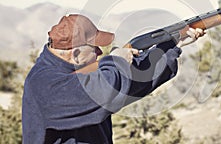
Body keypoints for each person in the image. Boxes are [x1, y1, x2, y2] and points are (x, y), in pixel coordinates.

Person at [22, 14, 205, 144]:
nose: (100, 52)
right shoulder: (43, 83)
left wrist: (171, 46)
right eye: (95, 48)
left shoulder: (82, 73)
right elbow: (103, 89)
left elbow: (133, 79)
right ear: (76, 54)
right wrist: (116, 61)